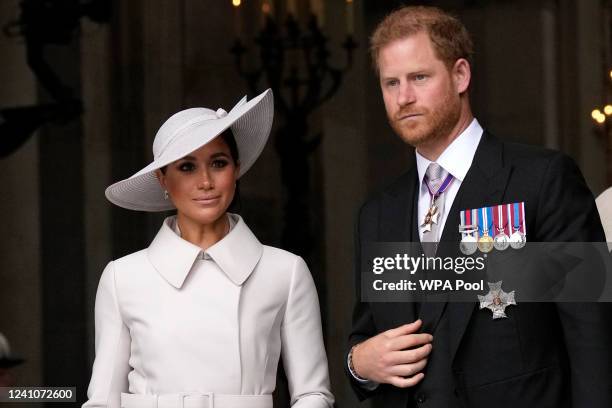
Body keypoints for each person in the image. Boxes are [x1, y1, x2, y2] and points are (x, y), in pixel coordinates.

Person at [346, 6, 612, 408]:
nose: (403, 97)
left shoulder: (542, 180)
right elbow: (367, 335)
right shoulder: (376, 214)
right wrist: (358, 364)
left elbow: (592, 335)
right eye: (390, 83)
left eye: (419, 77)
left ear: (460, 76)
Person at [83, 89, 334, 408]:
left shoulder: (285, 272)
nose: (205, 182)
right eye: (187, 167)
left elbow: (313, 394)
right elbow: (103, 401)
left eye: (218, 163)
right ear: (162, 179)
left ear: (236, 168)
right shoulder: (122, 278)